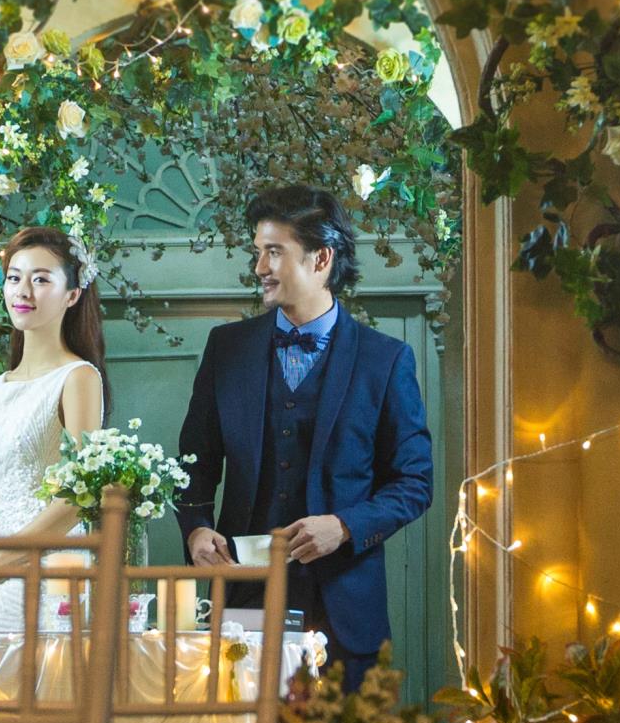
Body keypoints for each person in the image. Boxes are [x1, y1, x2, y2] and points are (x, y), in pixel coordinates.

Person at [174, 184, 434, 690]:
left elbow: (414, 482)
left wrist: (344, 526)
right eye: (258, 252)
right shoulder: (227, 349)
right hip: (244, 600)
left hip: (345, 609)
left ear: (321, 259)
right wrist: (196, 529)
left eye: (274, 252)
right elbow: (193, 463)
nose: (260, 267)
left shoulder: (385, 360)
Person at [0, 224, 108, 636]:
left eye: (41, 280)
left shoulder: (79, 378)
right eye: (14, 278)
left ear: (72, 295)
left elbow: (80, 496)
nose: (23, 291)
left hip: (50, 570)